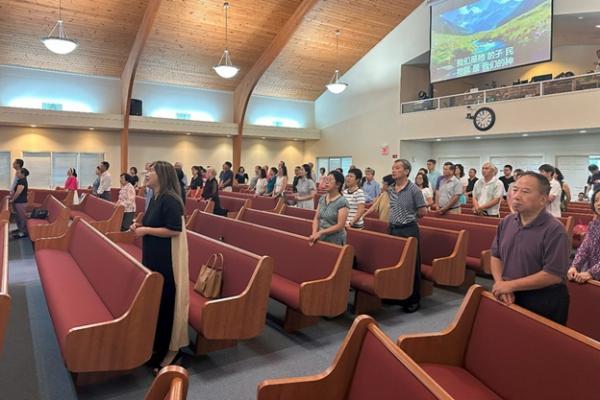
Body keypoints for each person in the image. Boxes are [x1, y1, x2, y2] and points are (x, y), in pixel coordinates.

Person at [491, 172, 570, 325]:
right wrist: (500, 283)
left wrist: (509, 285)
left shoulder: (555, 230)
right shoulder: (507, 222)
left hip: (543, 299)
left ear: (543, 199)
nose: (516, 196)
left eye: (525, 191)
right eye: (515, 190)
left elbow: (553, 274)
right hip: (509, 293)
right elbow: (496, 255)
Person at [131, 161, 188, 370]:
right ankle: (156, 346)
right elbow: (154, 224)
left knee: (165, 305)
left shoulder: (170, 199)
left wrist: (146, 230)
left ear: (162, 175)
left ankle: (170, 351)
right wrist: (140, 226)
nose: (146, 174)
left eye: (151, 171)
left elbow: (174, 229)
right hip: (153, 257)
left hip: (166, 261)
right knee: (155, 302)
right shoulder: (155, 197)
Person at [388, 159, 427, 313]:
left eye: (397, 168)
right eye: (393, 168)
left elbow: (422, 212)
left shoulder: (414, 190)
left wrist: (408, 217)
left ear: (406, 171)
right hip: (393, 229)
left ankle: (413, 299)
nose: (394, 170)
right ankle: (396, 295)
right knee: (395, 264)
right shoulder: (391, 189)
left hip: (408, 230)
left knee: (411, 265)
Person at [568, 189, 600, 282]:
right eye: (596, 200)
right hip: (592, 276)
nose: (598, 203)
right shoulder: (594, 225)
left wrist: (591, 273)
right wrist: (574, 266)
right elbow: (584, 248)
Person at [309, 171, 349, 245]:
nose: (326, 182)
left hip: (335, 239)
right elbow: (316, 218)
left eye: (330, 180)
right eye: (326, 179)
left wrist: (321, 232)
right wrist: (314, 233)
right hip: (320, 237)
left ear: (338, 184)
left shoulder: (342, 201)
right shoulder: (322, 198)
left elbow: (340, 226)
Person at [9, 167, 29, 239]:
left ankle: (24, 232)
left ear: (23, 174)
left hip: (21, 202)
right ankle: (20, 229)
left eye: (18, 173)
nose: (16, 174)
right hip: (18, 202)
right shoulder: (20, 180)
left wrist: (13, 199)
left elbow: (18, 192)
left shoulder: (22, 181)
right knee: (17, 217)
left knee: (21, 217)